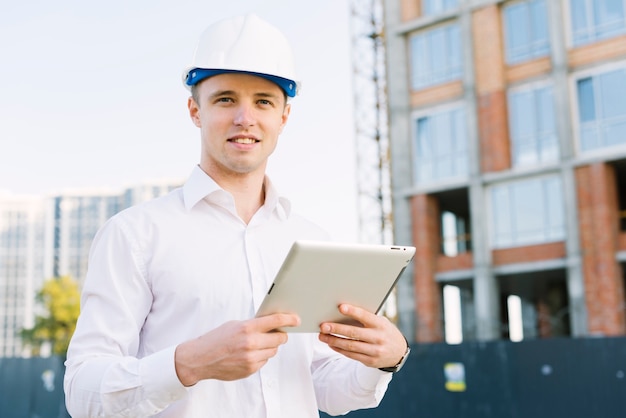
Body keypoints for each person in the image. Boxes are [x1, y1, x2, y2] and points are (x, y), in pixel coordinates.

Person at [63, 13, 410, 418]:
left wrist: (382, 361)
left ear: (283, 117)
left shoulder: (314, 240)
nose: (245, 118)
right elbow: (82, 394)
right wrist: (188, 364)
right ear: (195, 110)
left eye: (263, 101)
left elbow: (328, 391)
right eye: (226, 99)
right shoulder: (135, 234)